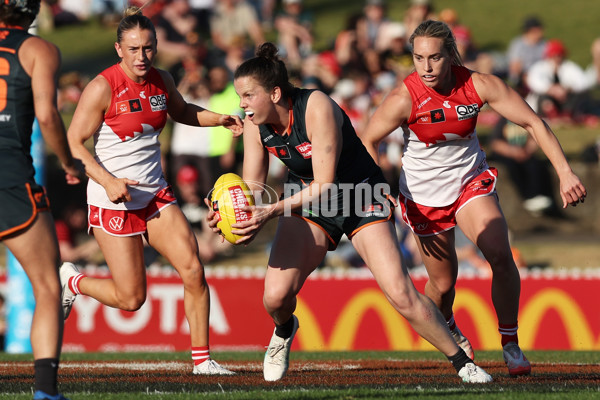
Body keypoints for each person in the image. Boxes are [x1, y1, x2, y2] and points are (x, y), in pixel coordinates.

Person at [207, 42, 493, 383]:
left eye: (248, 96)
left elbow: (326, 182)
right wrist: (232, 209)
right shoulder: (255, 124)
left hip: (359, 193)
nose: (242, 105)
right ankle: (284, 329)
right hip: (307, 200)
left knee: (400, 293)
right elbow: (254, 186)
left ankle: (463, 363)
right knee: (275, 297)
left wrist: (270, 212)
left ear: (275, 93)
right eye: (240, 97)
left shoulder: (316, 107)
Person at [360, 20, 587, 376]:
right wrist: (379, 190)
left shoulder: (479, 85)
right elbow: (367, 140)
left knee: (499, 251)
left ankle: (510, 344)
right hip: (423, 197)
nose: (427, 67)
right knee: (442, 283)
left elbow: (533, 123)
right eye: (419, 58)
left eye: (434, 57)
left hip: (470, 182)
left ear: (450, 54)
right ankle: (446, 324)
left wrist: (565, 172)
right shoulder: (405, 96)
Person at [62, 6, 243, 376]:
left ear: (156, 46)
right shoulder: (102, 87)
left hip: (155, 194)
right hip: (113, 198)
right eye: (133, 49)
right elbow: (74, 141)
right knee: (132, 299)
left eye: (148, 48)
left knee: (193, 268)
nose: (141, 56)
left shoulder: (161, 80)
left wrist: (218, 119)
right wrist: (108, 181)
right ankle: (73, 280)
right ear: (118, 49)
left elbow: (182, 111)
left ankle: (202, 361)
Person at [0, 1, 82, 399]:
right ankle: (45, 391)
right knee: (48, 284)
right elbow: (48, 116)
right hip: (10, 179)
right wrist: (68, 162)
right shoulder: (38, 50)